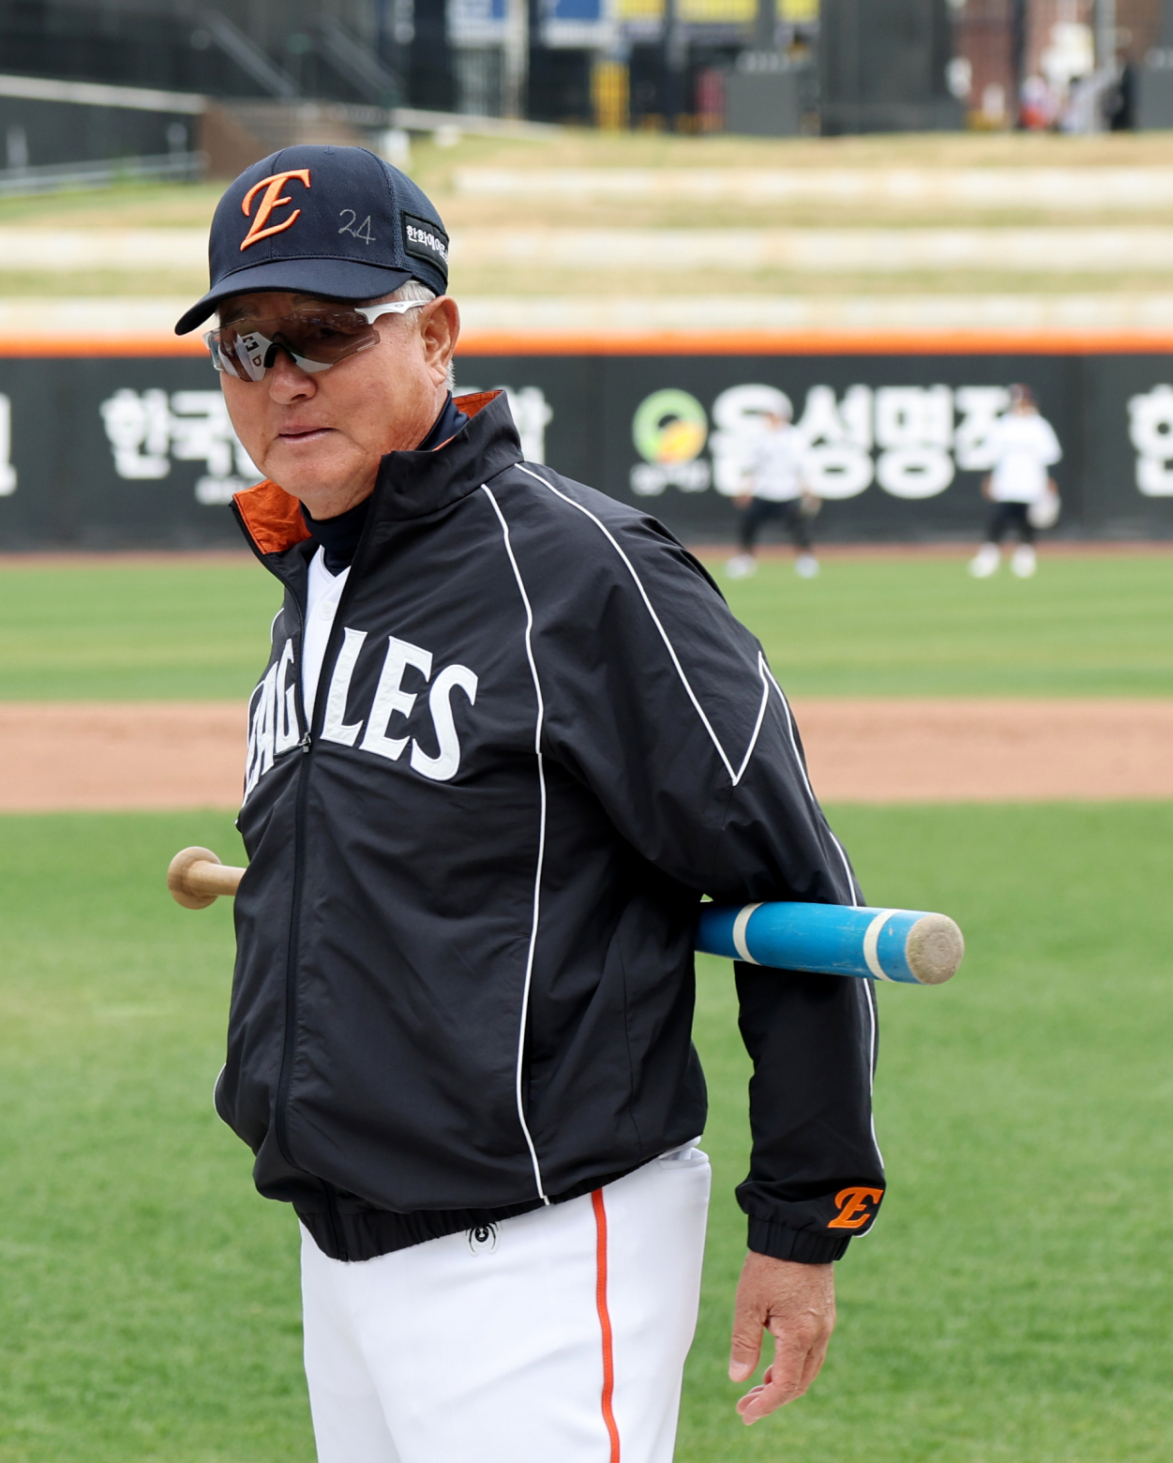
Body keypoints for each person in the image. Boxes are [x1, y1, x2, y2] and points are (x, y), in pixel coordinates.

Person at [175, 145, 883, 1463]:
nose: (284, 377)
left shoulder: (589, 571)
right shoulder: (317, 576)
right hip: (342, 1241)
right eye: (246, 345)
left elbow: (793, 884)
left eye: (328, 329)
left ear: (437, 334)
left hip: (543, 1247)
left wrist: (805, 1213)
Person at [968, 383, 1062, 579]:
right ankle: (989, 556)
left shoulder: (1039, 425)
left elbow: (1050, 456)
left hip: (1031, 481)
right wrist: (989, 478)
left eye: (1022, 402)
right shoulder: (1003, 424)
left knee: (1027, 521)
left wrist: (1050, 481)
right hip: (1006, 481)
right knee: (998, 517)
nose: (1019, 406)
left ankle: (1025, 556)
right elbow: (991, 454)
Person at [726, 410, 821, 579]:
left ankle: (805, 559)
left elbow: (803, 467)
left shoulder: (794, 437)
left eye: (774, 416)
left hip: (788, 492)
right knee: (749, 525)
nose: (771, 419)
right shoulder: (759, 438)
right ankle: (745, 559)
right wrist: (745, 489)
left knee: (799, 528)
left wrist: (808, 491)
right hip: (763, 491)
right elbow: (750, 466)